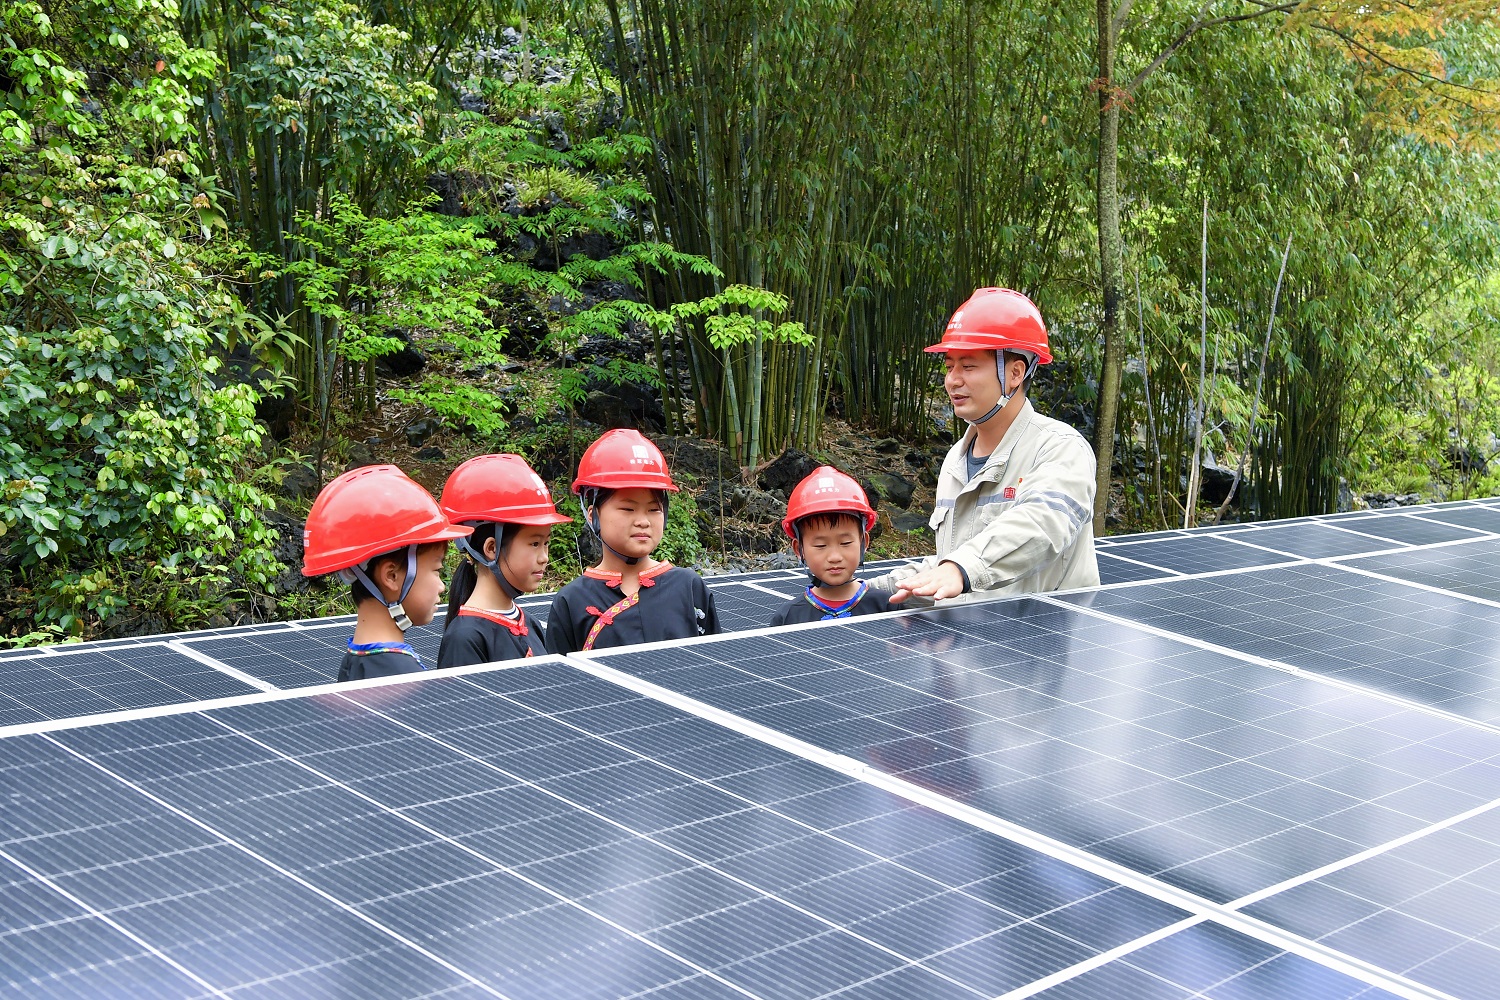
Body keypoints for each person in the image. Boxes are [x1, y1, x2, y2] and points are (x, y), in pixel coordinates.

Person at [866, 287, 1098, 605]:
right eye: (949, 366)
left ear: (1014, 373)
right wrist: (871, 590)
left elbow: (1041, 525)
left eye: (968, 366)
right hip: (968, 636)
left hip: (1044, 635)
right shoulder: (955, 460)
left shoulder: (1060, 448)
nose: (952, 380)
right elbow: (950, 565)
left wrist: (960, 569)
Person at [545, 429, 720, 652]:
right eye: (628, 509)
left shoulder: (688, 587)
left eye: (654, 509)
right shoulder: (572, 601)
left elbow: (715, 662)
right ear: (593, 515)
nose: (643, 521)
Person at [301, 465, 472, 681]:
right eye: (437, 570)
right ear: (391, 576)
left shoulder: (354, 664)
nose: (442, 586)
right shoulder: (405, 681)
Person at [436, 454, 571, 667]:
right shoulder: (464, 639)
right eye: (534, 544)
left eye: (546, 543)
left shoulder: (530, 623)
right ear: (491, 548)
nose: (544, 557)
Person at [771, 466, 895, 625]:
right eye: (820, 545)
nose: (835, 557)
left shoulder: (888, 607)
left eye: (845, 543)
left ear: (864, 542)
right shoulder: (787, 618)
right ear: (799, 549)